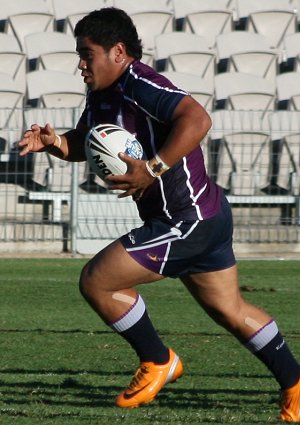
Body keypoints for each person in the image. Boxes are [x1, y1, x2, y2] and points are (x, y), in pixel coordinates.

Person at [19, 7, 300, 421]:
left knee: (98, 281)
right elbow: (87, 142)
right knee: (232, 311)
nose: (80, 64)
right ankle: (295, 384)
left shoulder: (141, 83)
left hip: (185, 219)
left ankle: (158, 360)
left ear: (118, 52)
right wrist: (56, 142)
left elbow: (197, 118)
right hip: (203, 214)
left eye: (86, 53)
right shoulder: (102, 93)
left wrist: (151, 169)